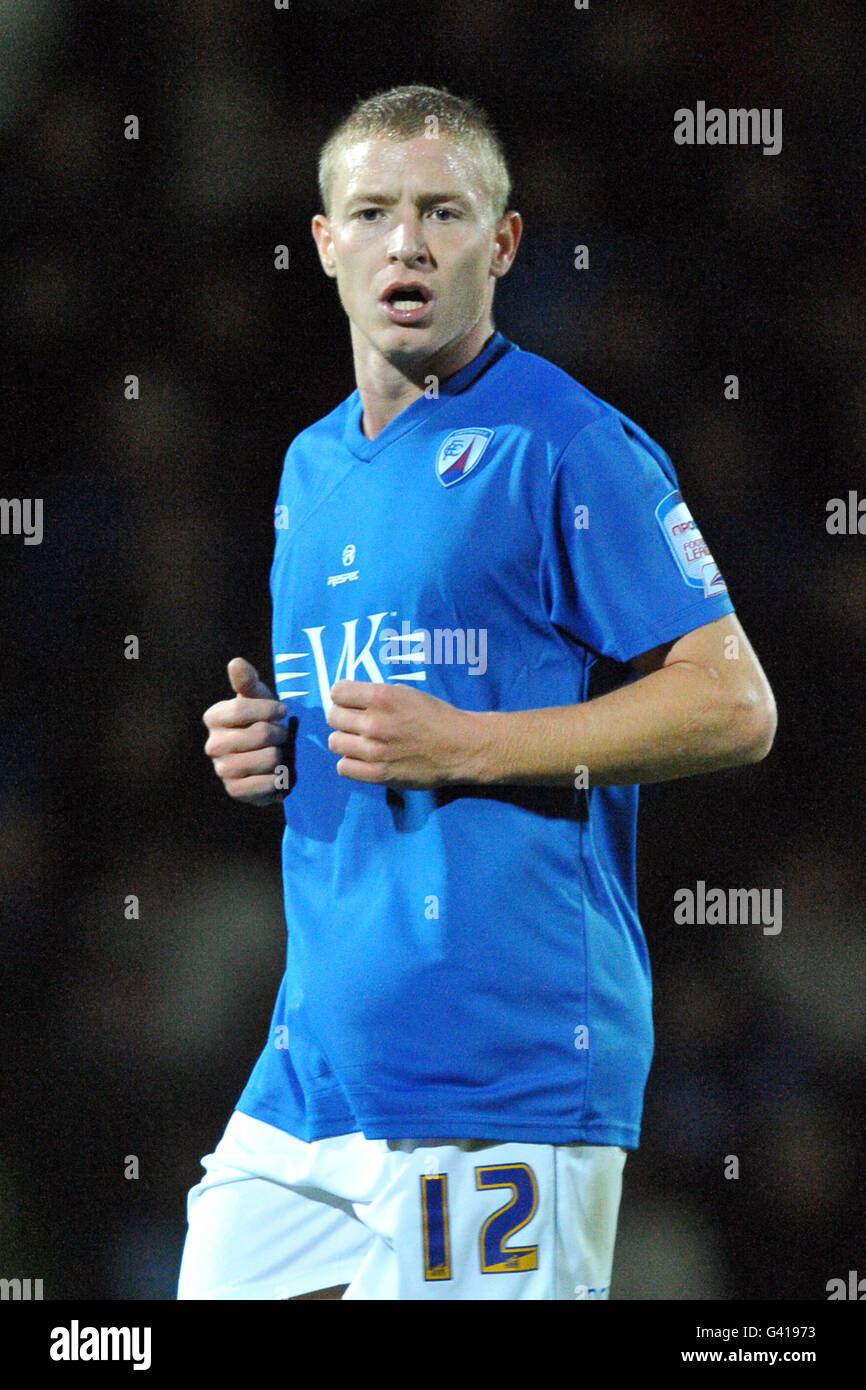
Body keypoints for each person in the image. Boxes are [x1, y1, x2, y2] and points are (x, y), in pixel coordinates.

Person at [177, 85, 776, 1301]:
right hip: (314, 1068)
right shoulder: (307, 465)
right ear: (324, 243)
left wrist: (468, 743)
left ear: (501, 244)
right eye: (376, 212)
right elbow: (379, 721)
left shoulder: (564, 442)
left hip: (499, 1062)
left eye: (444, 212)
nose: (408, 242)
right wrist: (275, 750)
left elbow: (732, 706)